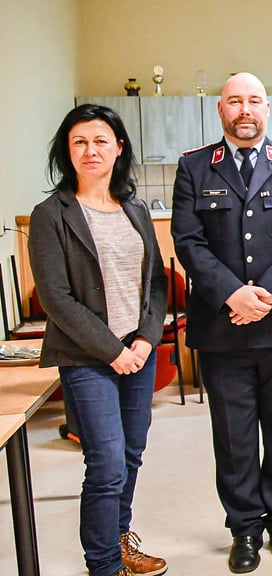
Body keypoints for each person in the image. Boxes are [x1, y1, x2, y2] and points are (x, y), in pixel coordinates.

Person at [171, 72, 272, 573]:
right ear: (221, 110)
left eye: (254, 100)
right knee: (233, 436)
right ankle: (244, 529)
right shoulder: (194, 166)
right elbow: (188, 241)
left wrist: (268, 293)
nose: (245, 110)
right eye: (234, 101)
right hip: (223, 326)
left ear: (267, 108)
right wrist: (232, 293)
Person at [29, 103, 168, 576]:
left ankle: (119, 540)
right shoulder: (51, 214)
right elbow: (56, 298)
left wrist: (146, 340)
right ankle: (104, 565)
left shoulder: (135, 209)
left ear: (119, 148)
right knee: (106, 463)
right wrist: (114, 351)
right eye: (80, 142)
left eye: (101, 141)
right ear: (67, 152)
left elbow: (155, 283)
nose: (91, 150)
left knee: (130, 454)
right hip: (87, 356)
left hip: (139, 352)